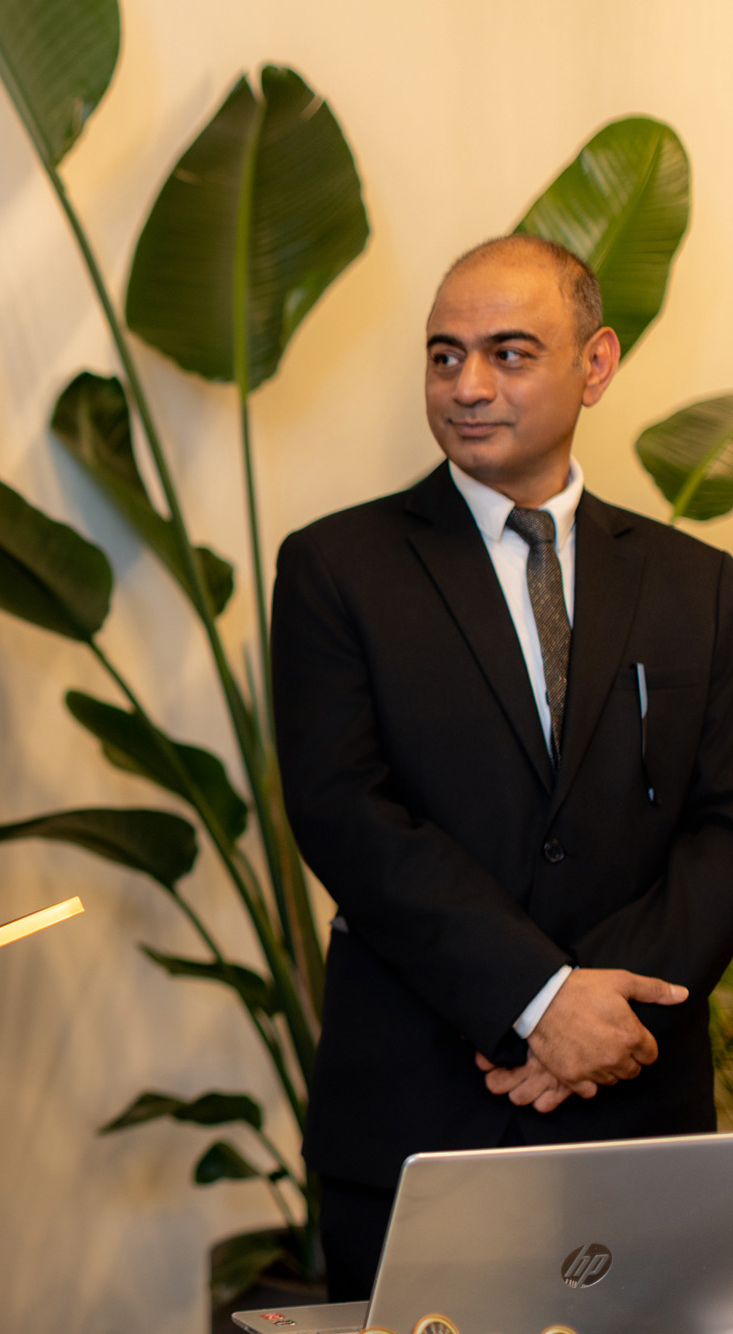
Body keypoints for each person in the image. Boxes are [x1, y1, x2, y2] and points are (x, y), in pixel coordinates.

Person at [272, 234, 733, 1300]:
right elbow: (346, 813)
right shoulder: (337, 568)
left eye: (507, 353)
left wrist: (600, 1017)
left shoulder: (699, 587)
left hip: (636, 1107)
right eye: (444, 355)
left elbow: (725, 825)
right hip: (420, 1110)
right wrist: (535, 999)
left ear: (594, 364)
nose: (466, 386)